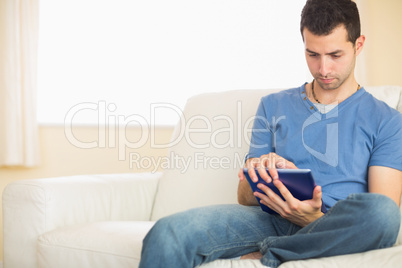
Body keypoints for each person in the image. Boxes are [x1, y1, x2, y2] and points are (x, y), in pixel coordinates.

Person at [139, 0, 402, 267]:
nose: (323, 69)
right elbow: (243, 195)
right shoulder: (273, 105)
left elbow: (384, 214)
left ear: (358, 45)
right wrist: (269, 174)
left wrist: (314, 220)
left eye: (335, 55)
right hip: (271, 219)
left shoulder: (387, 120)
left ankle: (273, 253)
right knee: (167, 233)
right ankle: (287, 247)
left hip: (333, 228)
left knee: (383, 213)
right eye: (313, 54)